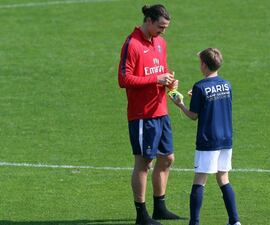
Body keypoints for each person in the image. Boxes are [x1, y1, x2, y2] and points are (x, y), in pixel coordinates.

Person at [118, 4, 182, 225]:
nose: (163, 31)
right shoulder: (132, 44)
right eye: (161, 27)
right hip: (142, 115)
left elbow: (161, 72)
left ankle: (160, 208)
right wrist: (156, 79)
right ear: (148, 21)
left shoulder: (160, 43)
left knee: (167, 159)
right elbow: (124, 79)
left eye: (165, 27)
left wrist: (170, 83)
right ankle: (141, 214)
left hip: (161, 111)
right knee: (144, 163)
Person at [170, 48, 241, 225]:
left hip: (208, 139)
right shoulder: (227, 84)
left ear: (204, 64)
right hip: (226, 138)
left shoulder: (200, 86)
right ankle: (234, 221)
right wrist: (199, 99)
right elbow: (216, 104)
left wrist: (180, 104)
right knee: (223, 178)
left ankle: (194, 223)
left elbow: (194, 115)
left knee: (200, 180)